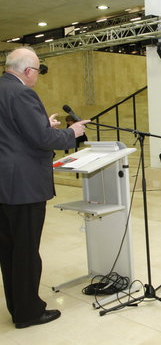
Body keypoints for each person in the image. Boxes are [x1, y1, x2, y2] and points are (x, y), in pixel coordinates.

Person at [0, 47, 89, 329]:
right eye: (38, 70)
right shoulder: (23, 92)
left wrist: (42, 124)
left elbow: (14, 131)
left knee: (10, 250)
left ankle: (18, 306)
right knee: (26, 250)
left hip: (5, 183)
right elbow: (39, 138)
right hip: (24, 184)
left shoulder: (2, 88)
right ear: (28, 71)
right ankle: (28, 313)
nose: (38, 75)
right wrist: (70, 133)